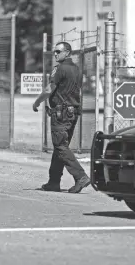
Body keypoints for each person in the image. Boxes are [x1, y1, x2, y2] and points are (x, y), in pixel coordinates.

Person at [32, 41, 90, 193]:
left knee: (60, 146)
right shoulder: (77, 70)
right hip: (72, 113)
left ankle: (81, 176)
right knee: (61, 147)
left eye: (58, 51)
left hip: (61, 113)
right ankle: (54, 182)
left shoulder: (60, 69)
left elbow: (49, 89)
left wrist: (37, 102)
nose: (55, 54)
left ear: (67, 53)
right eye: (54, 52)